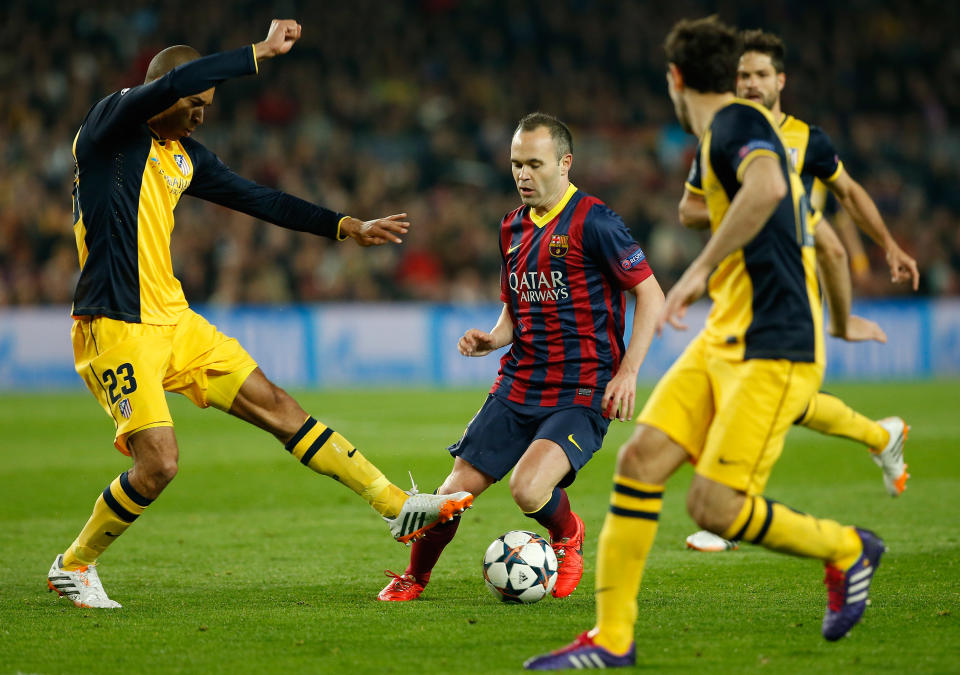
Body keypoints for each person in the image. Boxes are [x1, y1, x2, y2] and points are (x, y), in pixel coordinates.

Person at [46, 19, 473, 610]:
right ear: (167, 90)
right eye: (194, 102)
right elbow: (186, 76)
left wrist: (344, 225)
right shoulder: (109, 128)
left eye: (207, 106)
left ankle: (396, 506)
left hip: (175, 318)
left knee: (278, 406)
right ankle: (74, 564)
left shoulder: (183, 157)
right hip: (114, 323)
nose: (201, 114)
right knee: (159, 465)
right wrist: (260, 52)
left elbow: (259, 198)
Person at [525, 17, 885, 670]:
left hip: (775, 343)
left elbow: (771, 188)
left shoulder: (737, 125)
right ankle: (611, 639)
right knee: (639, 462)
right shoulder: (725, 136)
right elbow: (792, 219)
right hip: (726, 336)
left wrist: (695, 272)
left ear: (675, 78)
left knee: (714, 506)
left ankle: (846, 547)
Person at [376, 112, 665, 602]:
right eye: (516, 164)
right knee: (449, 498)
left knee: (528, 490)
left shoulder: (595, 221)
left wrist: (629, 372)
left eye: (534, 163)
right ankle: (414, 577)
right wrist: (492, 338)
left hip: (582, 387)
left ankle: (568, 535)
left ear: (565, 163)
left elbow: (651, 295)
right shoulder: (511, 226)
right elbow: (516, 305)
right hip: (520, 381)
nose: (523, 175)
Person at [680, 29, 911, 552]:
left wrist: (889, 246)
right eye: (742, 75)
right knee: (790, 401)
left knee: (759, 393)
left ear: (780, 80)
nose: (751, 83)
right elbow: (690, 208)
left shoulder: (809, 140)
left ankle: (729, 511)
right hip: (740, 284)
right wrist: (744, 208)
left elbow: (848, 196)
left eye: (761, 74)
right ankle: (882, 436)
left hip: (790, 288)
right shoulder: (722, 134)